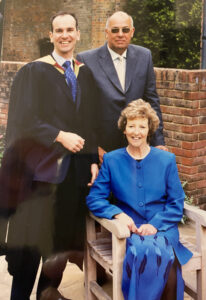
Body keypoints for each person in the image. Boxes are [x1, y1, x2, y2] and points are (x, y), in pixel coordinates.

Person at [1, 11, 98, 300]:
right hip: (37, 177)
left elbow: (89, 121)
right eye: (59, 30)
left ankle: (46, 294)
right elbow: (22, 120)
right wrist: (58, 135)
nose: (65, 35)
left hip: (72, 177)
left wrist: (92, 157)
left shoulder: (85, 72)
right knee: (29, 247)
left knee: (57, 247)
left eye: (70, 29)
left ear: (78, 34)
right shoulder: (33, 72)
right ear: (51, 35)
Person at [86, 99, 193, 300]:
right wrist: (118, 215)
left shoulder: (166, 160)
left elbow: (176, 203)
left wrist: (155, 225)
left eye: (142, 126)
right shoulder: (112, 160)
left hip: (162, 226)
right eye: (131, 125)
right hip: (130, 229)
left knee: (165, 258)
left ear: (149, 130)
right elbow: (95, 198)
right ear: (124, 129)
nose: (136, 132)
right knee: (143, 253)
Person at [77, 11, 167, 163]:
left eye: (125, 30)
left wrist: (158, 142)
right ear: (106, 33)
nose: (120, 34)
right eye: (115, 30)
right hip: (103, 149)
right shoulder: (86, 59)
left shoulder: (145, 56)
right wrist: (93, 148)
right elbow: (82, 110)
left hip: (138, 145)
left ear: (132, 32)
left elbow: (152, 102)